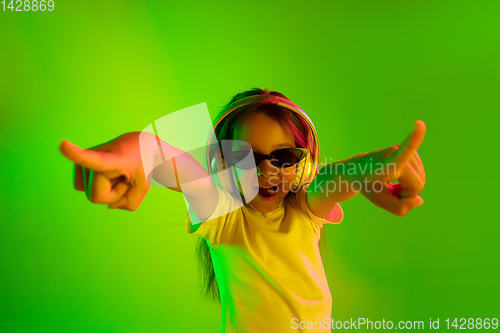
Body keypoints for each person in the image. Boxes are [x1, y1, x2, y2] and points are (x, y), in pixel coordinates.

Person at [59, 88, 426, 332]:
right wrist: (135, 151)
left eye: (283, 157)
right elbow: (178, 165)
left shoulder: (304, 210)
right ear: (220, 163)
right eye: (244, 156)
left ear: (303, 164)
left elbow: (333, 179)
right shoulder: (224, 217)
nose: (266, 170)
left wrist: (372, 169)